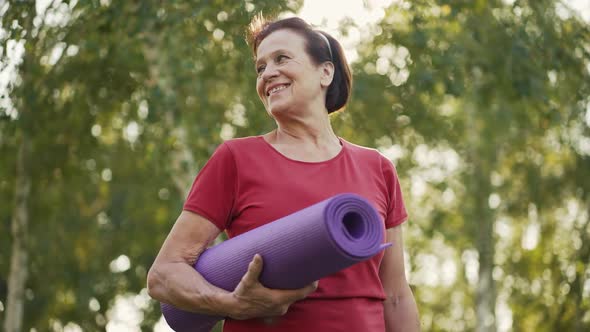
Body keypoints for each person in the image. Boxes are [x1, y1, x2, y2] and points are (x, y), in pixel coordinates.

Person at [147, 15, 420, 332]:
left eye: (281, 59)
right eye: (260, 67)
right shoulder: (236, 159)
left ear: (325, 72)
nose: (268, 73)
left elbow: (396, 295)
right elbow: (164, 275)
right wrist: (231, 304)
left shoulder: (377, 167)